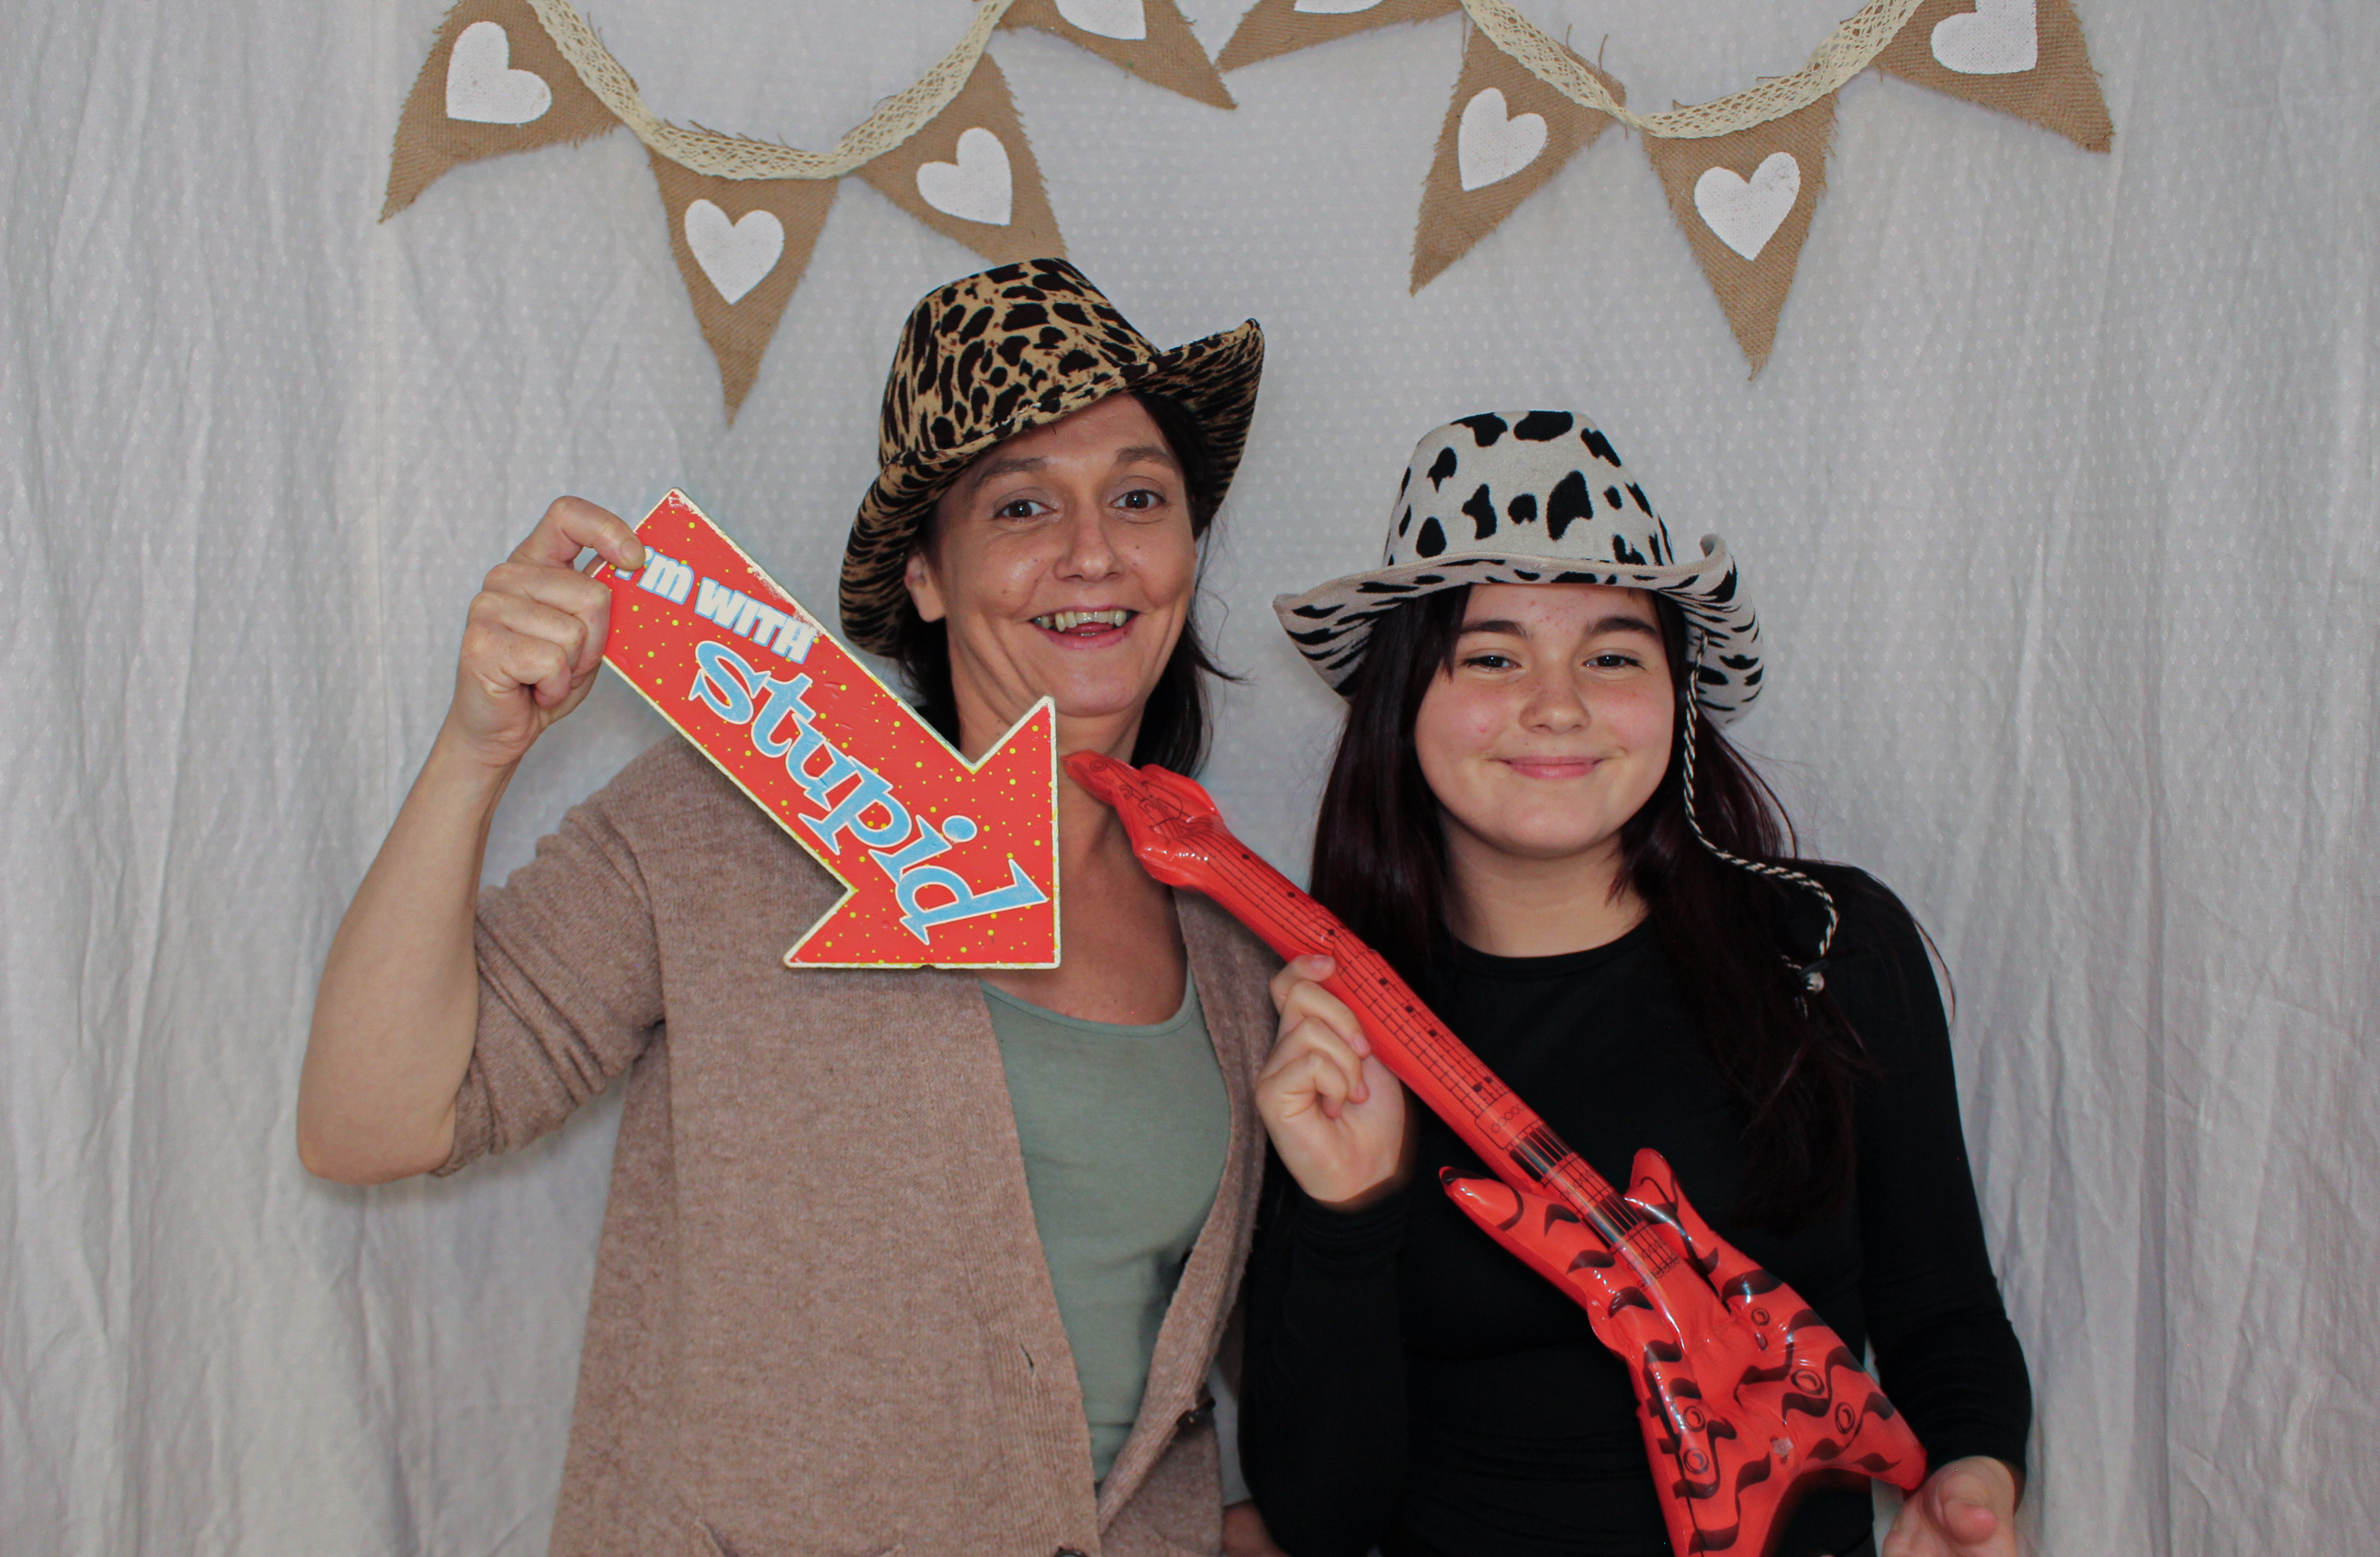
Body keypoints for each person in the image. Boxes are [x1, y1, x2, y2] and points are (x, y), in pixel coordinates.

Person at [298, 258, 1282, 1557]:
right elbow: (374, 1121)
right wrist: (475, 754)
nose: (1091, 551)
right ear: (925, 576)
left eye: (1138, 497)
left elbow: (1181, 1387)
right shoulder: (720, 830)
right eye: (1022, 505)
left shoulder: (1232, 933)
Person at [1235, 413, 2032, 1557]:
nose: (1556, 704)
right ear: (1406, 699)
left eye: (1612, 654)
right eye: (1492, 654)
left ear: (1678, 697)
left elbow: (1944, 1314)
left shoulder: (1827, 948)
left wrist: (1973, 1476)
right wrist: (1349, 1211)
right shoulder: (1331, 1026)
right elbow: (1322, 1513)